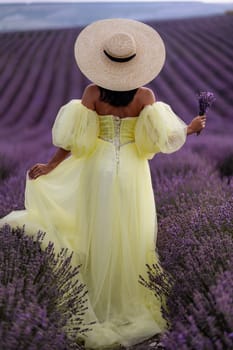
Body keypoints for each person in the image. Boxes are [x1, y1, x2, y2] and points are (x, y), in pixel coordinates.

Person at [0, 18, 206, 349]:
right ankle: (125, 301)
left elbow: (75, 140)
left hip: (97, 170)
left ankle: (94, 299)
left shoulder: (92, 93)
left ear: (104, 62)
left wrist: (50, 166)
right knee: (131, 234)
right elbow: (155, 140)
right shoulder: (145, 95)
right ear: (136, 64)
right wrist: (191, 128)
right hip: (132, 174)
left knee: (96, 231)